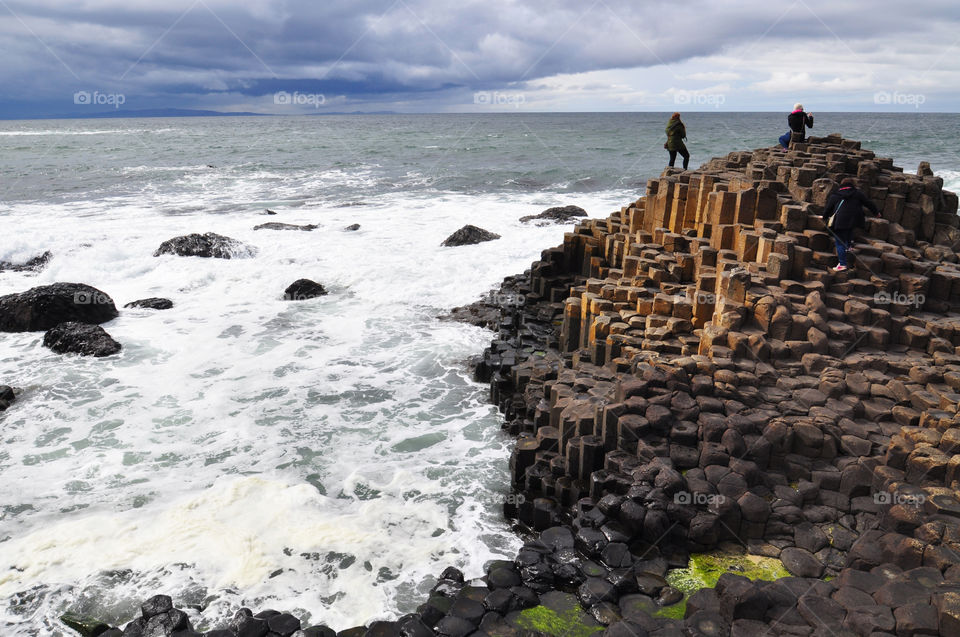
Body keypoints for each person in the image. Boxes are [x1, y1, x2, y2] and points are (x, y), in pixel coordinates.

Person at [821, 178, 878, 272]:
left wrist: (824, 217)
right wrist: (876, 213)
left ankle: (842, 264)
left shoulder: (836, 195)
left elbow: (828, 208)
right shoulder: (858, 194)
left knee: (839, 242)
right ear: (853, 185)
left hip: (840, 220)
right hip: (854, 219)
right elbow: (869, 203)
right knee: (849, 229)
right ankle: (848, 246)